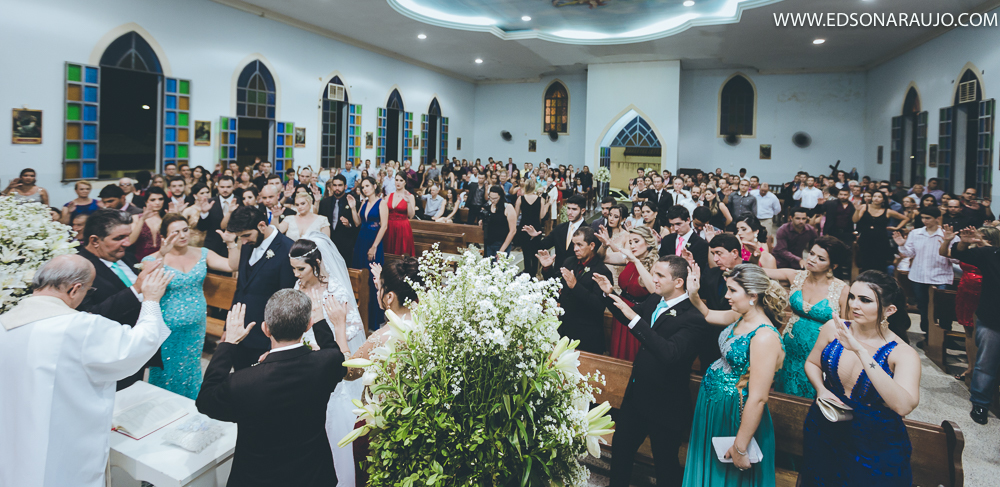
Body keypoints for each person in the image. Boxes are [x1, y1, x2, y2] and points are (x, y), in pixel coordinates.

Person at [0, 255, 172, 487]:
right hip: (65, 443)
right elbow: (138, 344)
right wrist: (151, 300)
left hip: (14, 435)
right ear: (75, 289)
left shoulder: (5, 322)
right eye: (88, 292)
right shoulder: (80, 327)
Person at [196, 291, 347, 487]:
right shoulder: (327, 363)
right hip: (313, 475)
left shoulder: (242, 382)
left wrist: (228, 343)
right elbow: (335, 353)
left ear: (265, 329)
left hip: (258, 479)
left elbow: (205, 400)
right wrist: (319, 322)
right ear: (307, 325)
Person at [594, 255, 710, 487]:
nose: (653, 280)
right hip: (636, 397)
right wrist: (610, 294)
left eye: (659, 275)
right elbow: (630, 315)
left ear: (678, 282)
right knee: (621, 454)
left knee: (665, 466)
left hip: (665, 405)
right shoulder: (655, 300)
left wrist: (635, 319)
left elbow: (670, 354)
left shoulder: (693, 318)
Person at [800, 271, 922, 486]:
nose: (855, 305)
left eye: (865, 300)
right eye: (852, 297)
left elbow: (903, 406)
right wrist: (821, 389)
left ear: (889, 310)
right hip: (826, 424)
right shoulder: (834, 328)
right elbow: (812, 363)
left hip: (873, 440)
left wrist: (860, 351)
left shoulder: (902, 353)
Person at [683, 264, 788, 486]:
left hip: (734, 414)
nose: (726, 295)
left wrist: (740, 447)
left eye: (732, 291)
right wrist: (693, 294)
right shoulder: (740, 316)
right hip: (713, 407)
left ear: (753, 295)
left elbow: (759, 398)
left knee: (728, 477)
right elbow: (709, 314)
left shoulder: (764, 336)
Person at [288, 235, 364, 486]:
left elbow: (351, 326)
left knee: (333, 422)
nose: (296, 274)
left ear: (317, 263)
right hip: (304, 361)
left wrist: (325, 345)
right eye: (293, 269)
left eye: (301, 269)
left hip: (330, 360)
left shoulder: (334, 289)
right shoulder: (299, 287)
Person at [142, 214, 234, 398]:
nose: (183, 235)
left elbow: (232, 265)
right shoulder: (152, 259)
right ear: (165, 236)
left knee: (191, 367)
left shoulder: (202, 252)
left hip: (195, 325)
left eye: (185, 230)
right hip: (166, 327)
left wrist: (231, 244)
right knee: (166, 370)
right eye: (176, 232)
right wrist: (162, 253)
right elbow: (147, 281)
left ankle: (191, 405)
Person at [764, 236, 850, 398]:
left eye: (820, 258)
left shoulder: (843, 290)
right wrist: (754, 256)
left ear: (833, 265)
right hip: (789, 348)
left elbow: (847, 329)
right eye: (811, 253)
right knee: (784, 393)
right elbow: (761, 272)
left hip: (818, 356)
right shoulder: (795, 276)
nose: (812, 259)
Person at [218, 206, 298, 369]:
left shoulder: (287, 249)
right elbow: (240, 289)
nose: (244, 241)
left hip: (265, 338)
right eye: (241, 237)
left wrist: (275, 345)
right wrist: (229, 327)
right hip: (239, 334)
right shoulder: (248, 244)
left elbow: (284, 301)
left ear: (262, 225)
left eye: (246, 235)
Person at [951, 226, 1000, 424]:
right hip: (992, 319)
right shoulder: (991, 254)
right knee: (986, 364)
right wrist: (963, 241)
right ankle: (980, 403)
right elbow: (958, 253)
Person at [538, 226, 613, 354]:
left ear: (592, 245)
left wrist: (575, 286)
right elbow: (556, 286)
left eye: (579, 244)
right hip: (566, 329)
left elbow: (599, 305)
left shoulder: (602, 271)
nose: (575, 249)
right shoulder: (569, 262)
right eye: (574, 244)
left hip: (587, 335)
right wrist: (547, 269)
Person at [941, 225, 998, 381]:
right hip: (965, 290)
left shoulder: (993, 254)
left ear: (989, 239)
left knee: (984, 332)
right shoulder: (971, 251)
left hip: (984, 293)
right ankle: (971, 367)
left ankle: (983, 370)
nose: (974, 237)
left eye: (978, 235)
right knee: (968, 331)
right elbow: (946, 253)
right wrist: (948, 241)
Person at [892, 206, 956, 345]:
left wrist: (947, 246)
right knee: (924, 306)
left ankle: (945, 336)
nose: (924, 221)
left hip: (941, 276)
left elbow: (956, 259)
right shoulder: (916, 233)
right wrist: (902, 245)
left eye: (928, 218)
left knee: (943, 307)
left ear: (937, 218)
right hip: (919, 276)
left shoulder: (947, 234)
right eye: (923, 218)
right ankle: (928, 335)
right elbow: (909, 254)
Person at [597, 225, 658, 361]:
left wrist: (636, 261)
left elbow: (654, 290)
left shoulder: (655, 264)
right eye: (630, 242)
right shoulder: (628, 259)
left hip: (638, 314)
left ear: (648, 243)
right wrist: (605, 244)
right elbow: (602, 257)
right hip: (621, 308)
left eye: (636, 241)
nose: (632, 246)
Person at [351, 177, 389, 328]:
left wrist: (374, 246)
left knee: (373, 278)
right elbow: (357, 223)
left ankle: (374, 317)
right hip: (361, 240)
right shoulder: (364, 203)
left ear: (374, 186)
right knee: (360, 277)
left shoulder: (382, 203)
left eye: (367, 186)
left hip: (374, 241)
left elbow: (384, 226)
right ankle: (361, 315)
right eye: (363, 187)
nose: (365, 189)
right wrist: (353, 207)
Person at [524, 195, 589, 271]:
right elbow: (543, 245)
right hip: (558, 274)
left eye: (574, 209)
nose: (570, 212)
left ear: (582, 211)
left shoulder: (588, 231)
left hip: (578, 275)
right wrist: (534, 237)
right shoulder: (560, 228)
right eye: (568, 208)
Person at [854, 191, 908, 273]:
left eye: (879, 197)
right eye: (875, 196)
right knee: (865, 261)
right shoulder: (864, 207)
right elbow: (855, 220)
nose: (876, 198)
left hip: (881, 239)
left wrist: (896, 228)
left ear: (883, 200)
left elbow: (905, 218)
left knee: (879, 262)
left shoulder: (888, 211)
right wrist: (857, 211)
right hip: (865, 238)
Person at [318, 174, 359, 266]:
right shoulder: (324, 202)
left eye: (340, 185)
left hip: (346, 245)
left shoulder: (353, 201)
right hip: (328, 244)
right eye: (335, 185)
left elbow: (358, 225)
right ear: (331, 186)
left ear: (345, 186)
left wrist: (349, 225)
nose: (337, 188)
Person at [197, 175, 237, 257]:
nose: (225, 190)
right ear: (217, 187)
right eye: (222, 187)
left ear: (234, 186)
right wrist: (204, 213)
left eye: (228, 187)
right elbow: (202, 228)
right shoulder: (209, 202)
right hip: (212, 247)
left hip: (234, 246)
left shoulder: (241, 202)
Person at [660, 205, 709, 271]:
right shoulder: (667, 240)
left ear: (688, 220)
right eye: (672, 225)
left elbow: (701, 269)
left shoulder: (701, 244)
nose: (675, 228)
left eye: (678, 224)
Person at [514, 178, 547, 276]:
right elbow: (541, 216)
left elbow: (516, 215)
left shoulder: (520, 198)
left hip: (524, 226)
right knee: (535, 252)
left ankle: (527, 272)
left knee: (526, 252)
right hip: (536, 227)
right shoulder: (541, 199)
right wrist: (548, 204)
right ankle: (534, 273)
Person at [128, 186, 167, 262]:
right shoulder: (136, 218)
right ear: (146, 201)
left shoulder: (166, 218)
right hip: (141, 259)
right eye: (153, 200)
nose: (157, 203)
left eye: (160, 199)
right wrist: (142, 220)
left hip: (163, 258)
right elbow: (130, 241)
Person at [384, 174, 416, 257]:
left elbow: (411, 215)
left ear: (405, 182)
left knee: (402, 251)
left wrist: (408, 202)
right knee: (388, 251)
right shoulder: (389, 195)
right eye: (396, 180)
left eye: (401, 180)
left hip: (403, 227)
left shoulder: (410, 196)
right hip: (389, 227)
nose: (398, 182)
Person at [483, 186, 517, 259]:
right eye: (490, 198)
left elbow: (513, 231)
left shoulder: (508, 207)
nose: (492, 200)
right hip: (489, 243)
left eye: (495, 198)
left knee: (500, 268)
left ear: (500, 196)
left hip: (501, 243)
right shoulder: (488, 206)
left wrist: (502, 249)